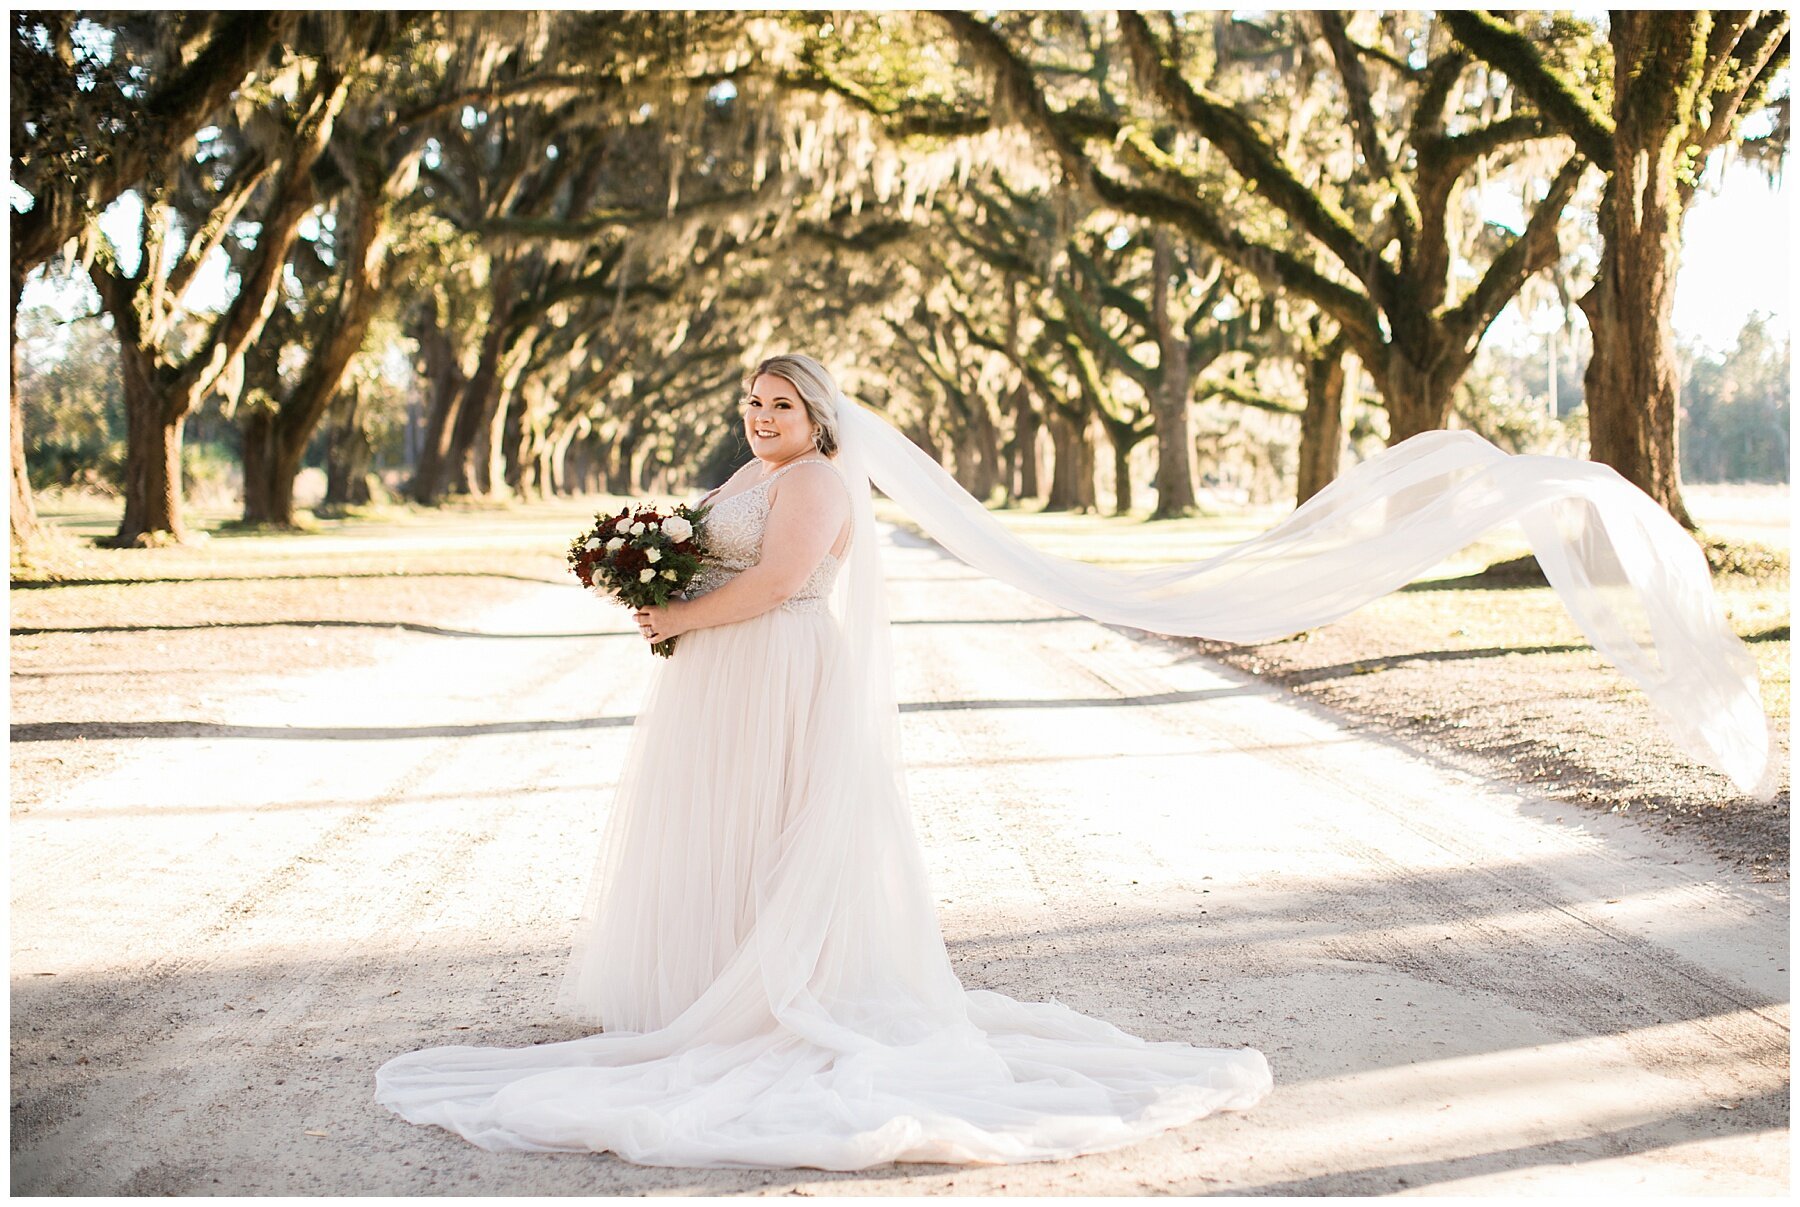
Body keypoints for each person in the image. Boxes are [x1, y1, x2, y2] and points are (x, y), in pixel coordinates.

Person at [374, 353, 1769, 1168]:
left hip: (777, 674)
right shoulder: (746, 475)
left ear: (823, 418)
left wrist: (672, 609)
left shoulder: (818, 486)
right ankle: (719, 991)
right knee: (729, 852)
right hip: (722, 687)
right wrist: (653, 571)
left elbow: (781, 590)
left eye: (782, 404)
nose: (763, 418)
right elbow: (713, 551)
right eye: (751, 402)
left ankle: (773, 1004)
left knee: (788, 846)